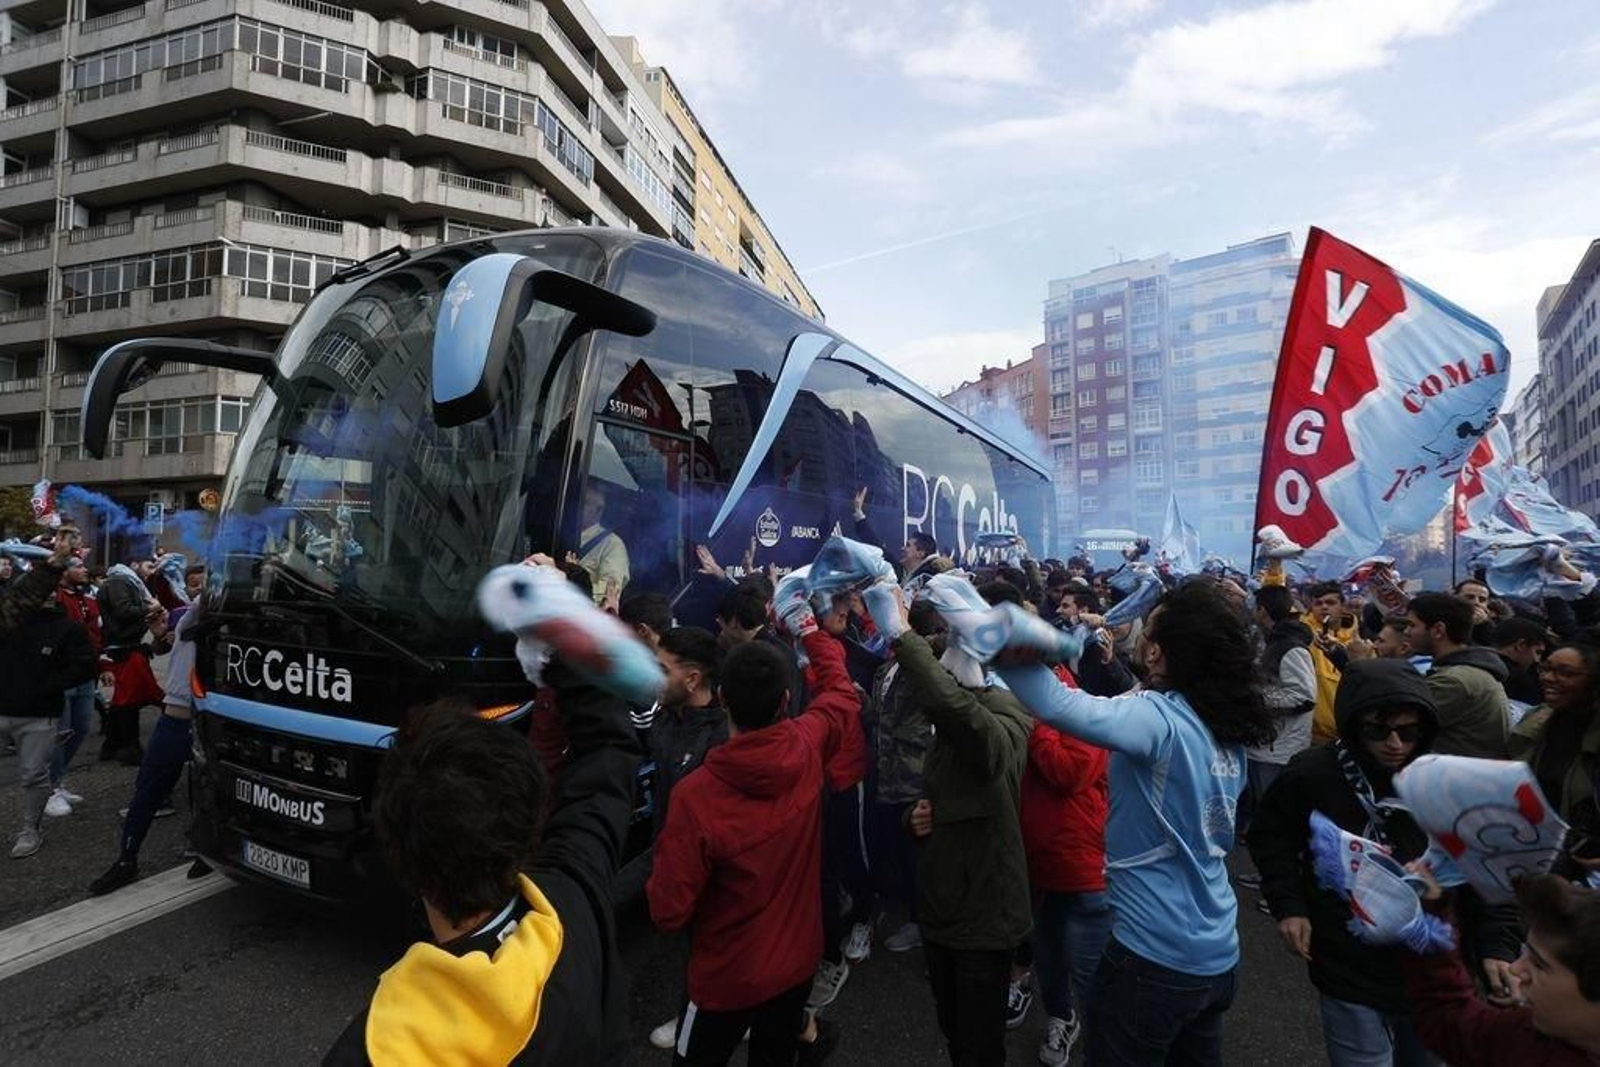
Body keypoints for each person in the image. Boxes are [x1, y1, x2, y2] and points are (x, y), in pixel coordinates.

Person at [994, 581, 1275, 1066]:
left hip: (1153, 959)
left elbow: (1061, 707)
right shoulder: (1224, 723)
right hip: (1217, 956)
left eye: (1153, 629)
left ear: (1162, 650)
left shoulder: (1159, 720)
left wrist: (1001, 640)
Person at [325, 638, 643, 1062]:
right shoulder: (574, 891)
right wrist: (557, 625)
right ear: (531, 819)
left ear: (400, 856)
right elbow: (608, 753)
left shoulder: (378, 1049)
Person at [1249, 659, 1520, 1066]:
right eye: (1378, 730)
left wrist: (1497, 947)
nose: (1395, 743)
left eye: (1409, 732)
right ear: (1353, 724)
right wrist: (1289, 907)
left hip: (1435, 966)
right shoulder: (1312, 774)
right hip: (1347, 960)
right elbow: (1273, 838)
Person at [646, 611, 858, 1066]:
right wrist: (809, 631)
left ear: (721, 697)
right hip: (797, 963)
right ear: (786, 699)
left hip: (725, 975)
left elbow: (668, 910)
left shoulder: (697, 795)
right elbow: (841, 693)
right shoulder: (807, 742)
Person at [872, 582, 1033, 1067]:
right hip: (944, 905)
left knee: (977, 1044)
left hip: (985, 916)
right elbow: (937, 796)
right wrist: (915, 817)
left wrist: (902, 632)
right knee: (953, 1026)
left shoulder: (1007, 716)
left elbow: (957, 713)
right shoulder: (955, 724)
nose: (944, 668)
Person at [1401, 873, 1600, 1065]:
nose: (1515, 969)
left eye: (1540, 965)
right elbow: (1449, 1023)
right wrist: (1434, 925)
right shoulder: (1528, 1037)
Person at [1019, 672, 1110, 1066]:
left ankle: (1105, 1047)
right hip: (1040, 866)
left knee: (1093, 974)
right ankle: (1061, 1017)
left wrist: (1037, 725)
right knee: (1050, 955)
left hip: (1084, 870)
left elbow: (1069, 771)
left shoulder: (1083, 712)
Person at [88, 599, 206, 895]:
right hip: (177, 719)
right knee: (148, 789)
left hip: (214, 719)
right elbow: (166, 645)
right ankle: (127, 860)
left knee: (207, 791)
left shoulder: (245, 613)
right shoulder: (188, 611)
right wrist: (160, 633)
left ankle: (204, 850)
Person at [0, 542, 97, 858]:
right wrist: (52, 565)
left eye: (54, 589)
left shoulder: (66, 627)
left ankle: (30, 829)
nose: (50, 594)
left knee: (32, 774)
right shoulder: (10, 620)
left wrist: (49, 685)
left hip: (38, 714)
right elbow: (19, 597)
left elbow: (84, 664)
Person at [865, 599, 940, 956]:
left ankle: (926, 927)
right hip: (887, 776)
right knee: (899, 852)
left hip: (915, 777)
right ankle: (910, 913)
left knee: (920, 859)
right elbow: (880, 715)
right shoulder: (885, 670)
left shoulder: (924, 667)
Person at [1509, 638, 1600, 874]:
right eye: (1546, 668)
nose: (1548, 678)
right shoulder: (1537, 719)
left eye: (1565, 673)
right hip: (1529, 850)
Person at [1237, 586, 1316, 852]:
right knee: (1263, 811)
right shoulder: (1268, 641)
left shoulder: (1291, 648)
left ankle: (1283, 876)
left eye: (1254, 606)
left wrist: (1258, 699)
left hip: (1279, 748)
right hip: (1264, 744)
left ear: (1262, 610)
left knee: (1277, 815)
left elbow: (1304, 697)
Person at [1404, 592, 1511, 758]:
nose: (1406, 632)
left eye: (1412, 625)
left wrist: (1360, 664)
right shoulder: (1466, 671)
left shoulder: (1453, 681)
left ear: (1438, 630)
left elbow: (1395, 725)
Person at [48, 552, 103, 818]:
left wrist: (102, 664)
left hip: (85, 675)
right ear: (64, 572)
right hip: (62, 675)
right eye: (79, 566)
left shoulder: (86, 598)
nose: (85, 570)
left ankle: (57, 779)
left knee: (80, 729)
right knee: (61, 732)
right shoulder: (55, 598)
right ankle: (50, 788)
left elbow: (94, 634)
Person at [574, 481, 629, 606]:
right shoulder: (560, 531)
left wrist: (573, 588)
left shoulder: (613, 545)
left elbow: (609, 590)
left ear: (599, 510)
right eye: (578, 501)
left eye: (585, 503)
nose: (578, 506)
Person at [1494, 615, 1550, 708]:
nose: (1537, 660)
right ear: (1521, 645)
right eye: (1538, 652)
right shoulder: (1521, 682)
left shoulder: (1472, 661)